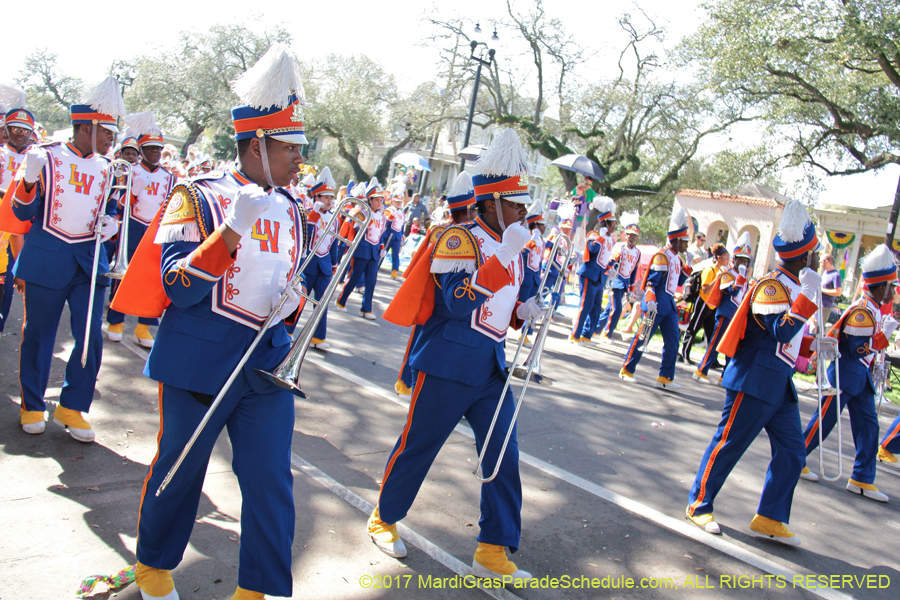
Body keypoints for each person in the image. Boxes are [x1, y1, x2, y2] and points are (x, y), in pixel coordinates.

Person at [112, 44, 308, 600]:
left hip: (264, 366)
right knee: (180, 472)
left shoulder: (293, 207)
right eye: (291, 148)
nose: (300, 159)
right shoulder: (196, 196)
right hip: (199, 359)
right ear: (256, 145)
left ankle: (260, 589)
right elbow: (176, 285)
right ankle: (153, 567)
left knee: (271, 482)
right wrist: (228, 232)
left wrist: (292, 301)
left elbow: (276, 282)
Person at [370, 129, 536, 582]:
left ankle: (493, 548)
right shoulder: (457, 239)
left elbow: (499, 308)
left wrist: (523, 311)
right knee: (418, 446)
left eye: (523, 203)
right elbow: (459, 300)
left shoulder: (515, 245)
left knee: (504, 454)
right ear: (491, 204)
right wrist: (502, 259)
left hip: (491, 367)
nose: (524, 211)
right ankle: (384, 517)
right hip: (447, 363)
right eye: (516, 203)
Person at [686, 199, 823, 545]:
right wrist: (808, 298)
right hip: (755, 379)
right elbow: (780, 330)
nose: (817, 260)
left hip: (780, 384)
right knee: (729, 444)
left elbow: (791, 342)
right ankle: (699, 503)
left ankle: (770, 516)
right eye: (814, 254)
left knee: (793, 453)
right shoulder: (773, 286)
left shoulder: (794, 287)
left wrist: (816, 349)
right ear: (803, 257)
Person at [3, 77, 125, 441]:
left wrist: (112, 222)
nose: (112, 140)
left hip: (89, 263)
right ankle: (33, 404)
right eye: (108, 131)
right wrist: (28, 178)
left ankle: (73, 407)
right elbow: (22, 211)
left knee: (91, 338)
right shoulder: (47, 155)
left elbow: (114, 208)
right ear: (87, 127)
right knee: (39, 336)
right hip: (47, 257)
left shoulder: (108, 166)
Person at [798, 244, 898, 502]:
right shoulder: (864, 310)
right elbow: (857, 348)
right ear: (880, 286)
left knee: (870, 427)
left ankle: (862, 479)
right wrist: (883, 338)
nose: (894, 291)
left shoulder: (873, 308)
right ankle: (795, 458)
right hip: (845, 374)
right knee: (823, 422)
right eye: (891, 285)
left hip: (859, 377)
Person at [394, 172, 476, 399]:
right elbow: (421, 260)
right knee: (419, 338)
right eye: (474, 209)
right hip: (433, 292)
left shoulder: (477, 234)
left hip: (459, 296)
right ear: (465, 210)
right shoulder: (439, 230)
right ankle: (406, 380)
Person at [106, 111, 174, 348]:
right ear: (142, 150)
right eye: (150, 148)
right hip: (133, 228)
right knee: (124, 277)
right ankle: (115, 322)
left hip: (156, 231)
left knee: (152, 279)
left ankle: (144, 326)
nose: (155, 152)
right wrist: (133, 190)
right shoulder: (130, 170)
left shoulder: (169, 177)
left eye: (158, 149)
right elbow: (118, 201)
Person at [619, 206, 691, 389]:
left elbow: (678, 281)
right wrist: (650, 300)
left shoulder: (677, 258)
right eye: (685, 241)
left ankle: (665, 377)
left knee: (673, 341)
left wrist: (687, 269)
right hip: (656, 304)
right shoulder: (662, 257)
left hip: (669, 306)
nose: (687, 245)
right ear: (676, 240)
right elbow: (652, 282)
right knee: (642, 337)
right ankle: (627, 369)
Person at [692, 233, 752, 384]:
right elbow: (731, 291)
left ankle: (725, 376)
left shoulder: (744, 279)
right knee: (715, 344)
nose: (743, 263)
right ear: (734, 260)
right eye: (740, 259)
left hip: (735, 318)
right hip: (725, 314)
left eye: (746, 260)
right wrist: (740, 279)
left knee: (731, 349)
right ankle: (701, 371)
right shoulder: (728, 274)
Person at [336, 178, 387, 319]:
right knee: (354, 278)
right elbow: (354, 228)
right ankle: (341, 300)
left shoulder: (382, 217)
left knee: (371, 281)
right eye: (376, 200)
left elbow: (380, 235)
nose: (379, 202)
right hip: (361, 251)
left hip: (374, 253)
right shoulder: (363, 213)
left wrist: (382, 247)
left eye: (381, 200)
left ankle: (366, 308)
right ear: (369, 200)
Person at [570, 197, 616, 345]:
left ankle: (586, 336)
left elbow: (604, 258)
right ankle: (575, 335)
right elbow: (592, 249)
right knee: (585, 306)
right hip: (589, 274)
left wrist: (610, 266)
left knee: (596, 308)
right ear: (605, 224)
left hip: (600, 276)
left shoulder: (609, 239)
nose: (615, 226)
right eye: (613, 223)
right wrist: (601, 237)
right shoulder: (594, 235)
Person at [305, 167, 339, 350]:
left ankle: (318, 337)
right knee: (299, 300)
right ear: (316, 197)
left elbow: (334, 244)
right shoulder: (307, 214)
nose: (329, 201)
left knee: (322, 302)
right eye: (326, 197)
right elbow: (305, 238)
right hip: (308, 264)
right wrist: (313, 216)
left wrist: (334, 265)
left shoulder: (335, 219)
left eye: (331, 198)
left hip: (324, 264)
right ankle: (286, 330)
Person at [682, 244, 730, 364]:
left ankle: (711, 360)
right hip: (703, 302)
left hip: (712, 305)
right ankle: (684, 354)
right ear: (718, 257)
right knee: (693, 328)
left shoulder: (721, 271)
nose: (727, 260)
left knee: (711, 333)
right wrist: (717, 279)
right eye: (725, 257)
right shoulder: (710, 270)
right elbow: (705, 290)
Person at [596, 223, 642, 342]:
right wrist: (615, 257)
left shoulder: (637, 253)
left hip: (625, 283)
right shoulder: (619, 246)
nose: (631, 238)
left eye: (634, 236)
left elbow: (633, 271)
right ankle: (606, 333)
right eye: (629, 235)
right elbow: (610, 263)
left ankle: (595, 330)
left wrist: (632, 290)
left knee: (609, 309)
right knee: (616, 309)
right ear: (625, 235)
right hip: (615, 281)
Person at [812, 253, 842, 333]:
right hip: (816, 303)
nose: (820, 264)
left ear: (827, 261)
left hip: (825, 306)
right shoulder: (825, 273)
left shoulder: (836, 275)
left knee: (818, 330)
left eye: (822, 262)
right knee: (813, 327)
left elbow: (838, 292)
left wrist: (821, 290)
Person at [381, 183, 407, 279]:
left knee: (395, 255)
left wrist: (402, 235)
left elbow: (402, 225)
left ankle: (394, 272)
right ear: (393, 201)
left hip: (397, 236)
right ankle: (375, 268)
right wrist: (389, 218)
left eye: (400, 202)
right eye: (397, 201)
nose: (399, 203)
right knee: (383, 253)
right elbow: (384, 224)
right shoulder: (389, 210)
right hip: (388, 235)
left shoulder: (402, 213)